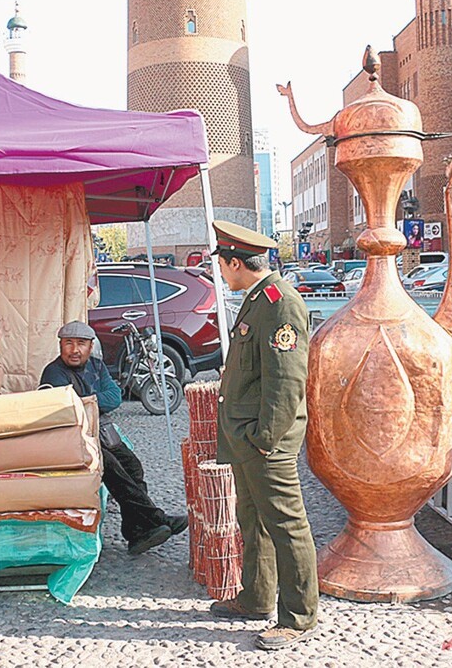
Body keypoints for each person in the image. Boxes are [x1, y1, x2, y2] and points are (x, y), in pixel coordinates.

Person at [208, 220, 319, 651]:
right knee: (252, 520)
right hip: (248, 436)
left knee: (286, 524)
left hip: (263, 439)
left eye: (222, 264)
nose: (220, 271)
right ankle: (256, 597)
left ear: (236, 262)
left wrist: (264, 438)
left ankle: (298, 616)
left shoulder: (279, 303)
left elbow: (286, 381)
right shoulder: (257, 300)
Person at [40, 321, 187, 555]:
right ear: (60, 346)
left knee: (133, 468)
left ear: (90, 347)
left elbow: (115, 397)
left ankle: (136, 531)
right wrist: (91, 401)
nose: (74, 350)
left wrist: (87, 400)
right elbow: (66, 409)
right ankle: (155, 519)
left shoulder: (97, 366)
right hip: (74, 437)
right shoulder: (54, 372)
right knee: (114, 471)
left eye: (81, 344)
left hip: (103, 431)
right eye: (68, 343)